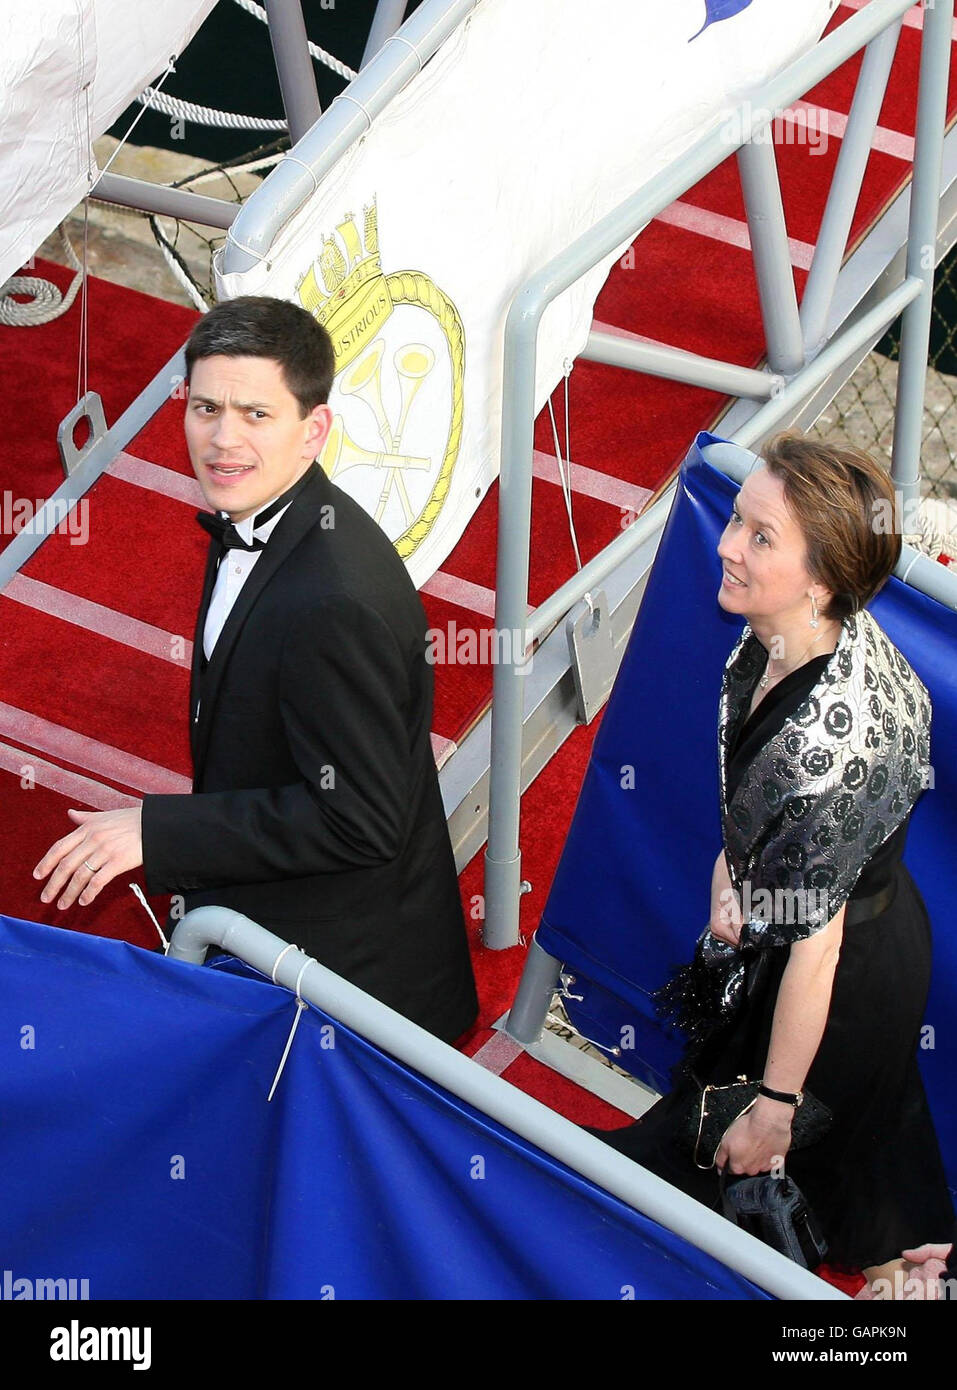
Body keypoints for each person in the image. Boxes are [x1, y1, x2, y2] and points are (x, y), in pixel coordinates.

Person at [33, 295, 478, 1045]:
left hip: (342, 988)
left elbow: (360, 819)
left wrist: (158, 832)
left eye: (255, 415)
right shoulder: (260, 512)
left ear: (315, 430)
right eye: (206, 408)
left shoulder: (332, 600)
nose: (221, 439)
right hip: (282, 922)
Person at [592, 433, 955, 1295]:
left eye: (760, 537)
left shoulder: (823, 743)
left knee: (678, 1167)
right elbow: (773, 819)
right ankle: (908, 1269)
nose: (724, 545)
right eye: (735, 520)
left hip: (835, 979)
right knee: (869, 1149)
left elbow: (816, 948)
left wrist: (774, 1108)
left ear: (822, 576)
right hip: (858, 936)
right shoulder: (809, 632)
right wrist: (740, 873)